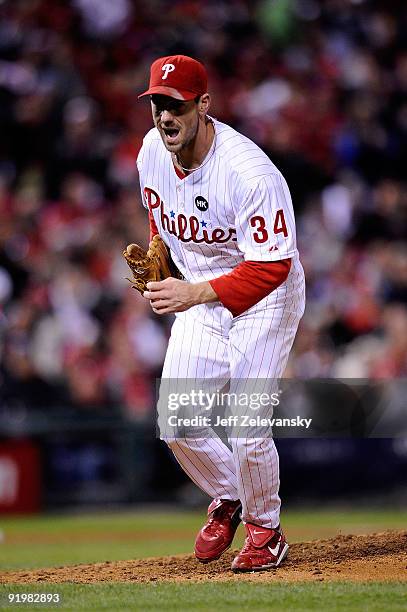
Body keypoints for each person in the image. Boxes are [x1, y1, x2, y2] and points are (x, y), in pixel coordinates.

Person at [136, 55, 305, 572]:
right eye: (158, 104)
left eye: (178, 106)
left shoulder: (249, 173)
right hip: (201, 292)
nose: (166, 116)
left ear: (204, 105)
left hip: (263, 296)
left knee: (247, 423)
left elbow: (271, 267)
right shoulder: (150, 151)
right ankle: (230, 496)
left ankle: (266, 530)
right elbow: (159, 219)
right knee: (177, 420)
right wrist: (157, 258)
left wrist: (193, 293)